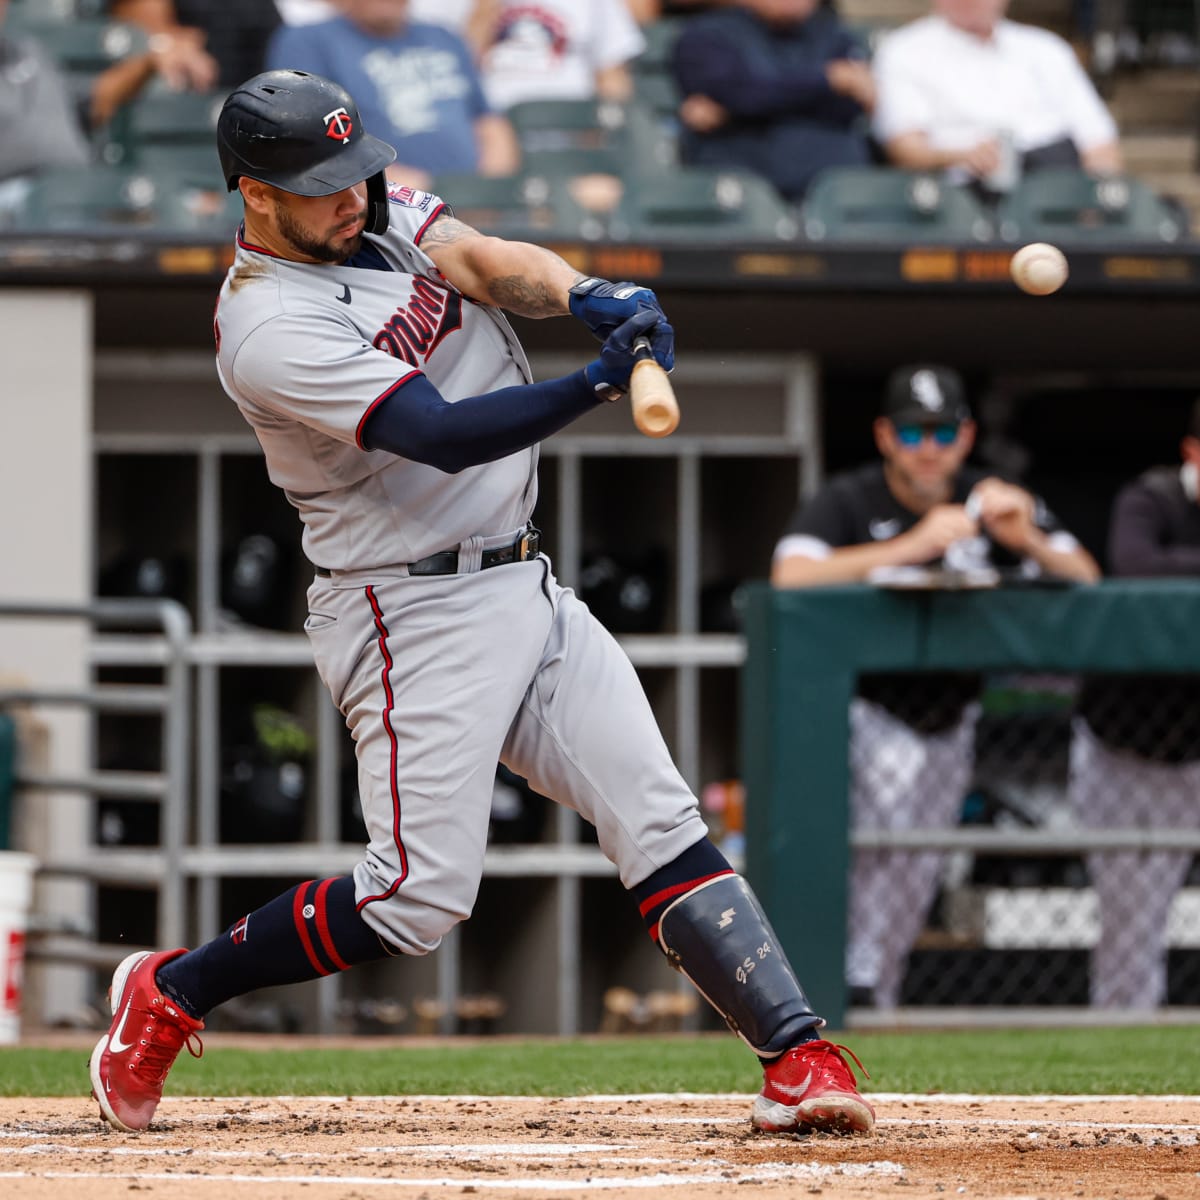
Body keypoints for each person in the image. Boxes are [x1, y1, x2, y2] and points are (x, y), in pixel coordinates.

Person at [88, 67, 875, 1139]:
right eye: (319, 186)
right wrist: (595, 383)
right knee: (415, 899)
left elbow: (488, 263)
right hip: (406, 609)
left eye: (355, 174)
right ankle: (172, 991)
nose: (349, 198)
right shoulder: (265, 325)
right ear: (252, 192)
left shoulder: (379, 215)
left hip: (521, 579)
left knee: (654, 810)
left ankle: (799, 1055)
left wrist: (594, 296)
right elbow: (438, 433)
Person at [771, 365, 1099, 1010]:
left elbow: (1085, 575)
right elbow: (791, 576)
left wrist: (1023, 536)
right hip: (871, 710)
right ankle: (848, 984)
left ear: (966, 436)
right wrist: (913, 545)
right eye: (915, 432)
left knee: (919, 868)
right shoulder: (852, 498)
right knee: (877, 842)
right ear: (887, 436)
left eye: (943, 431)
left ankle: (875, 995)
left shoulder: (989, 497)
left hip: (954, 714)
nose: (929, 447)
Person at [1069, 399, 1200, 1009]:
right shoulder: (1152, 498)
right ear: (1192, 452)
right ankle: (1120, 1025)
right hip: (1117, 745)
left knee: (1160, 903)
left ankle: (1136, 1022)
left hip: (1190, 753)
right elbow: (1136, 563)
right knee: (1126, 910)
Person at [872, 0, 1122, 194]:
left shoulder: (1047, 49)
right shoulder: (904, 50)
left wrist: (1093, 200)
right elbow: (905, 147)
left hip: (1056, 188)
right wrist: (964, 156)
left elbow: (1099, 142)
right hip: (961, 194)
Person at [266, 0, 519, 190]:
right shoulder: (307, 40)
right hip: (379, 209)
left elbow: (490, 124)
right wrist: (410, 192)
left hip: (478, 211)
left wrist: (486, 192)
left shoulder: (445, 37)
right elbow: (311, 140)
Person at [669, 0, 875, 202]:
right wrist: (828, 80)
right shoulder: (708, 34)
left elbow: (851, 106)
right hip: (739, 196)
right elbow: (736, 91)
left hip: (836, 195)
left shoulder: (837, 38)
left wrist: (743, 109)